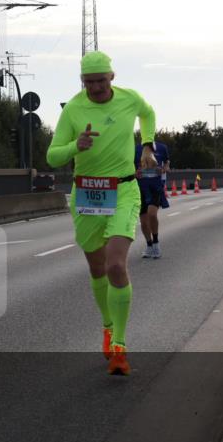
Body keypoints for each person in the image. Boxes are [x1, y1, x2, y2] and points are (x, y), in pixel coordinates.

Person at [47, 51, 157, 376]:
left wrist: (148, 144)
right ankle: (107, 327)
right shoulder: (74, 109)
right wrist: (73, 147)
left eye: (100, 80)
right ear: (82, 81)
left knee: (115, 266)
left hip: (123, 189)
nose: (95, 87)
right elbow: (52, 156)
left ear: (112, 77)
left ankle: (120, 347)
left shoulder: (129, 99)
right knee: (97, 270)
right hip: (87, 194)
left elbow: (148, 113)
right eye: (89, 81)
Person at [135, 136, 169, 258]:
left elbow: (167, 164)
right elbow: (131, 168)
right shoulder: (136, 149)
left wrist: (164, 169)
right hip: (141, 188)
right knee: (143, 222)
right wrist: (136, 173)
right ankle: (149, 245)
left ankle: (156, 243)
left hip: (155, 187)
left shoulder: (161, 147)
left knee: (152, 214)